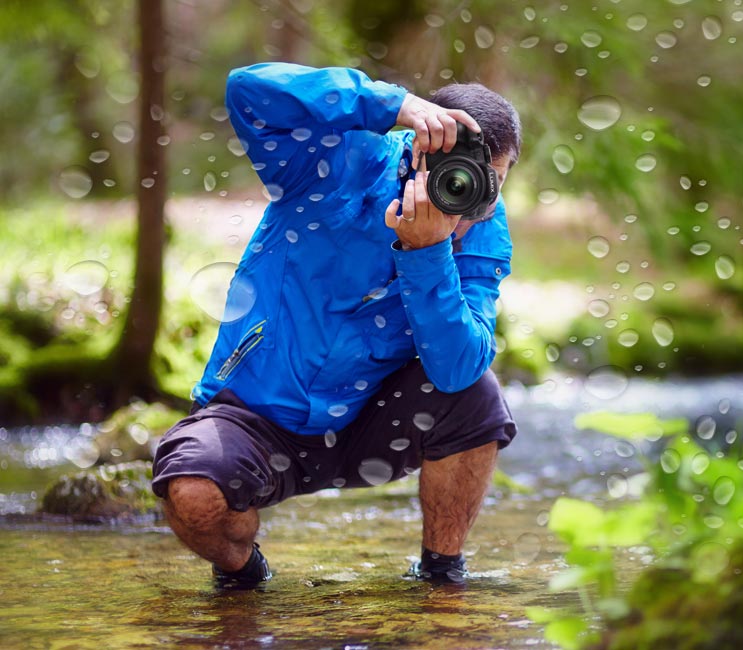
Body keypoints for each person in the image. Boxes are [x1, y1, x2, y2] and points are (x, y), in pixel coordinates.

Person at [150, 62, 521, 588]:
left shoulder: (483, 226)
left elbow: (458, 367)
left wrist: (429, 251)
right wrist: (392, 105)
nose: (468, 199)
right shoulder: (339, 158)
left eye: (491, 184)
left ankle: (441, 575)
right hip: (256, 413)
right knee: (193, 494)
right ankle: (244, 574)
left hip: (371, 422)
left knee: (478, 396)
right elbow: (248, 90)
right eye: (458, 169)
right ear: (420, 142)